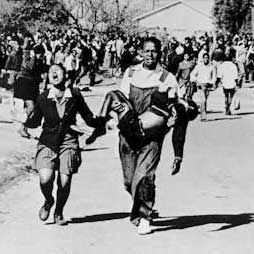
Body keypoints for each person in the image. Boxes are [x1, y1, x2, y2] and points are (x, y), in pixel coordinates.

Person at [86, 37, 197, 234]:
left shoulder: (167, 77)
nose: (150, 55)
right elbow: (121, 101)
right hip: (128, 133)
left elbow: (173, 110)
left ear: (160, 53)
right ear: (141, 52)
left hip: (152, 135)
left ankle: (145, 215)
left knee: (145, 176)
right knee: (129, 181)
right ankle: (140, 205)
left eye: (154, 51)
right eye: (146, 51)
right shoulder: (131, 72)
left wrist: (176, 147)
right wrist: (114, 116)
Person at [19, 64, 101, 225]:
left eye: (58, 70)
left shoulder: (75, 95)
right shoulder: (43, 97)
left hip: (68, 141)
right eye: (51, 71)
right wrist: (25, 121)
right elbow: (35, 122)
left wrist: (102, 121)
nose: (54, 73)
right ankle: (49, 201)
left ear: (66, 75)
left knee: (64, 181)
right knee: (45, 179)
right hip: (48, 141)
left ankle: (59, 212)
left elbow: (88, 117)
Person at [190, 53, 216, 121]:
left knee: (204, 101)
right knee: (203, 100)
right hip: (200, 85)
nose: (206, 59)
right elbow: (192, 74)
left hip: (208, 85)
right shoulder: (199, 66)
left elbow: (214, 76)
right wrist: (196, 81)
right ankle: (203, 117)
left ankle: (202, 113)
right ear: (202, 58)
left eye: (207, 58)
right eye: (204, 58)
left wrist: (212, 83)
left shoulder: (212, 67)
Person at [216, 49, 238, 115]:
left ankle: (227, 107)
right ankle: (228, 107)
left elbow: (219, 75)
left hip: (225, 82)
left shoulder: (222, 65)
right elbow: (236, 76)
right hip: (232, 83)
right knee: (231, 96)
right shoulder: (234, 65)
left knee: (226, 95)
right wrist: (237, 83)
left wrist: (217, 82)